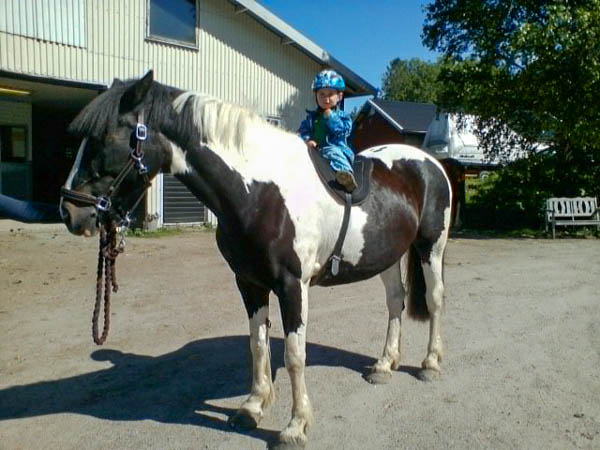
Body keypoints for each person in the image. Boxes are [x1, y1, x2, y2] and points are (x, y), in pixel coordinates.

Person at [299, 69, 357, 192]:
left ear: (339, 96)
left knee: (333, 152)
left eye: (330, 94)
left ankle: (346, 175)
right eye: (322, 94)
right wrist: (307, 140)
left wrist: (331, 117)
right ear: (316, 96)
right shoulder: (311, 118)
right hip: (316, 150)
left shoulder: (342, 116)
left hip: (336, 148)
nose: (326, 99)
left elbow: (344, 130)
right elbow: (303, 130)